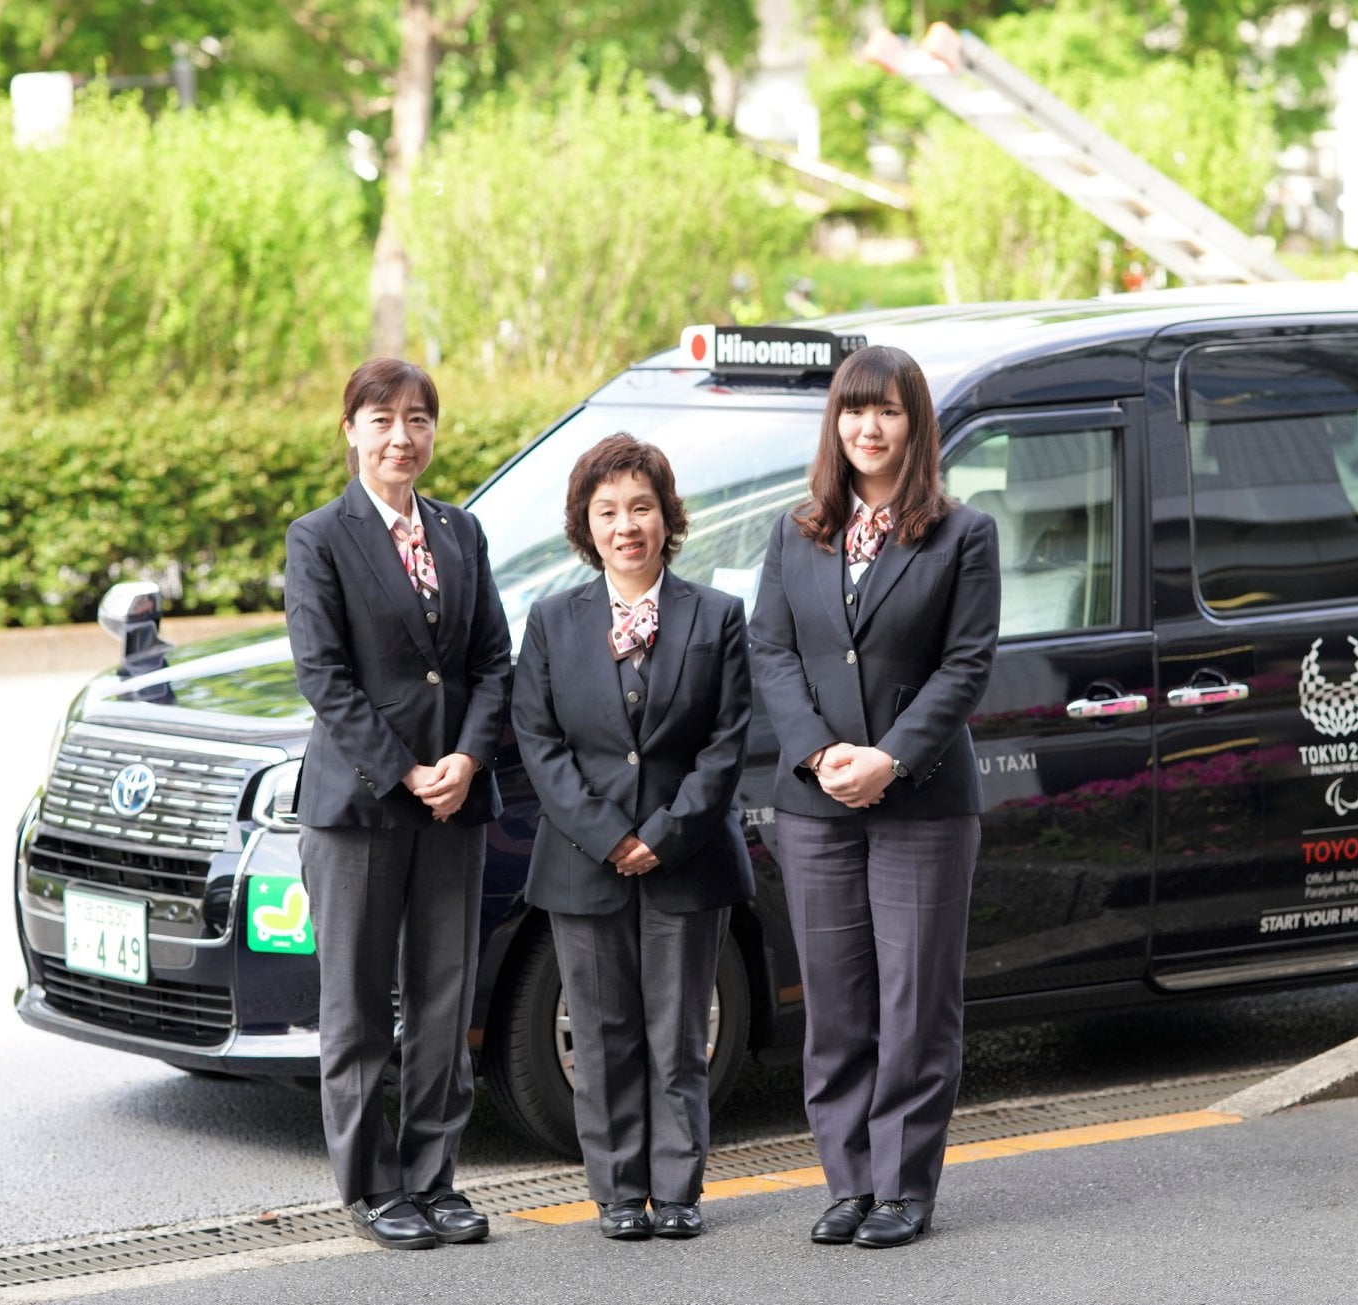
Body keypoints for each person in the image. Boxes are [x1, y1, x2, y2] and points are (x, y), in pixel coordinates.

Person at [748, 344, 1001, 1249]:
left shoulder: (961, 533)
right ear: (836, 423)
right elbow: (769, 651)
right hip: (815, 805)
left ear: (914, 423)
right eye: (854, 411)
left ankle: (902, 1185)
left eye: (887, 411)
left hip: (922, 800)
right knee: (837, 1002)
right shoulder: (795, 530)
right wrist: (820, 755)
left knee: (915, 1002)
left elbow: (966, 664)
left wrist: (888, 759)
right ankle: (847, 1182)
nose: (868, 427)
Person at [284, 359, 511, 1250]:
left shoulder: (461, 531)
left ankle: (433, 1177)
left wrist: (464, 756)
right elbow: (323, 677)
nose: (400, 437)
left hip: (454, 802)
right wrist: (406, 769)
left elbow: (492, 660)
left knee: (443, 1002)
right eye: (380, 419)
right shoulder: (319, 537)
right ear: (350, 430)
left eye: (417, 419)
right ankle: (374, 1184)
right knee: (355, 1003)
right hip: (361, 804)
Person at [511, 434, 754, 1241]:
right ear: (586, 522)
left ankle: (678, 1188)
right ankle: (617, 1190)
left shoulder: (717, 616)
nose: (626, 525)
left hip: (686, 860)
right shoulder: (550, 621)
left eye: (641, 507)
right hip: (584, 862)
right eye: (607, 510)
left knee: (678, 1034)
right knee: (605, 1035)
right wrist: (609, 835)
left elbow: (727, 742)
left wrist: (663, 833)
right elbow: (539, 743)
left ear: (666, 515)